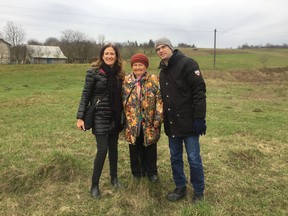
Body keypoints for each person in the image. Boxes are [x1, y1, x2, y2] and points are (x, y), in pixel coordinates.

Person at [154, 37, 207, 203]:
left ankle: (198, 191)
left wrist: (199, 118)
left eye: (163, 47)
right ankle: (180, 187)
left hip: (189, 122)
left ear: (171, 47)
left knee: (193, 158)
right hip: (172, 123)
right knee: (175, 157)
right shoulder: (163, 71)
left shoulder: (188, 63)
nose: (161, 50)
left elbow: (199, 91)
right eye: (158, 49)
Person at [76, 43, 125, 199]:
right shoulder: (94, 73)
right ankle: (94, 185)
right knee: (102, 150)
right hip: (99, 116)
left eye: (112, 54)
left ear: (116, 56)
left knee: (114, 149)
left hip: (115, 116)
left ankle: (114, 178)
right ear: (102, 56)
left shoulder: (120, 74)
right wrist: (80, 117)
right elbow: (86, 95)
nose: (109, 56)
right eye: (106, 54)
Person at [122, 53, 163, 182]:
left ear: (145, 66)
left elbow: (160, 101)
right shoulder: (126, 80)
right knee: (134, 146)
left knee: (150, 146)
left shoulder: (154, 80)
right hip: (132, 121)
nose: (138, 67)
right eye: (135, 65)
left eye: (140, 65)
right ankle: (137, 172)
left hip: (149, 120)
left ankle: (151, 172)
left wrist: (157, 120)